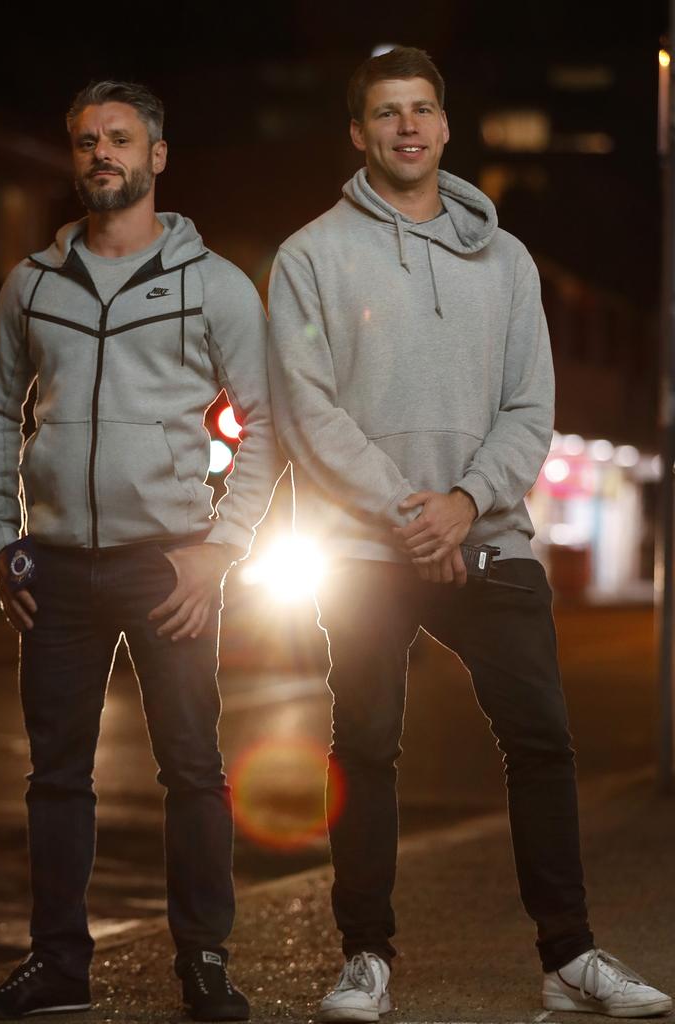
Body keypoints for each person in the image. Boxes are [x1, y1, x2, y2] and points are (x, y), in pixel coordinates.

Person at [268, 46, 671, 1023]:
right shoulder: (310, 256)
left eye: (422, 110)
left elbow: (531, 404)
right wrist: (414, 514)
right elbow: (306, 410)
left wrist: (463, 501)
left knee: (542, 741)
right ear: (359, 134)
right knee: (365, 745)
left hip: (490, 541)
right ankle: (365, 958)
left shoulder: (506, 259)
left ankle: (568, 960)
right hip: (367, 552)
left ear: (445, 127)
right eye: (385, 112)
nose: (407, 126)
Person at [0, 79, 281, 1022]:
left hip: (170, 564)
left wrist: (220, 549)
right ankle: (58, 967)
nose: (101, 153)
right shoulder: (31, 283)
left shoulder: (214, 282)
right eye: (86, 140)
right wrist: (0, 537)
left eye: (120, 139)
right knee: (55, 775)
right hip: (53, 569)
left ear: (157, 157)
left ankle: (205, 961)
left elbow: (266, 425)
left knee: (191, 767)